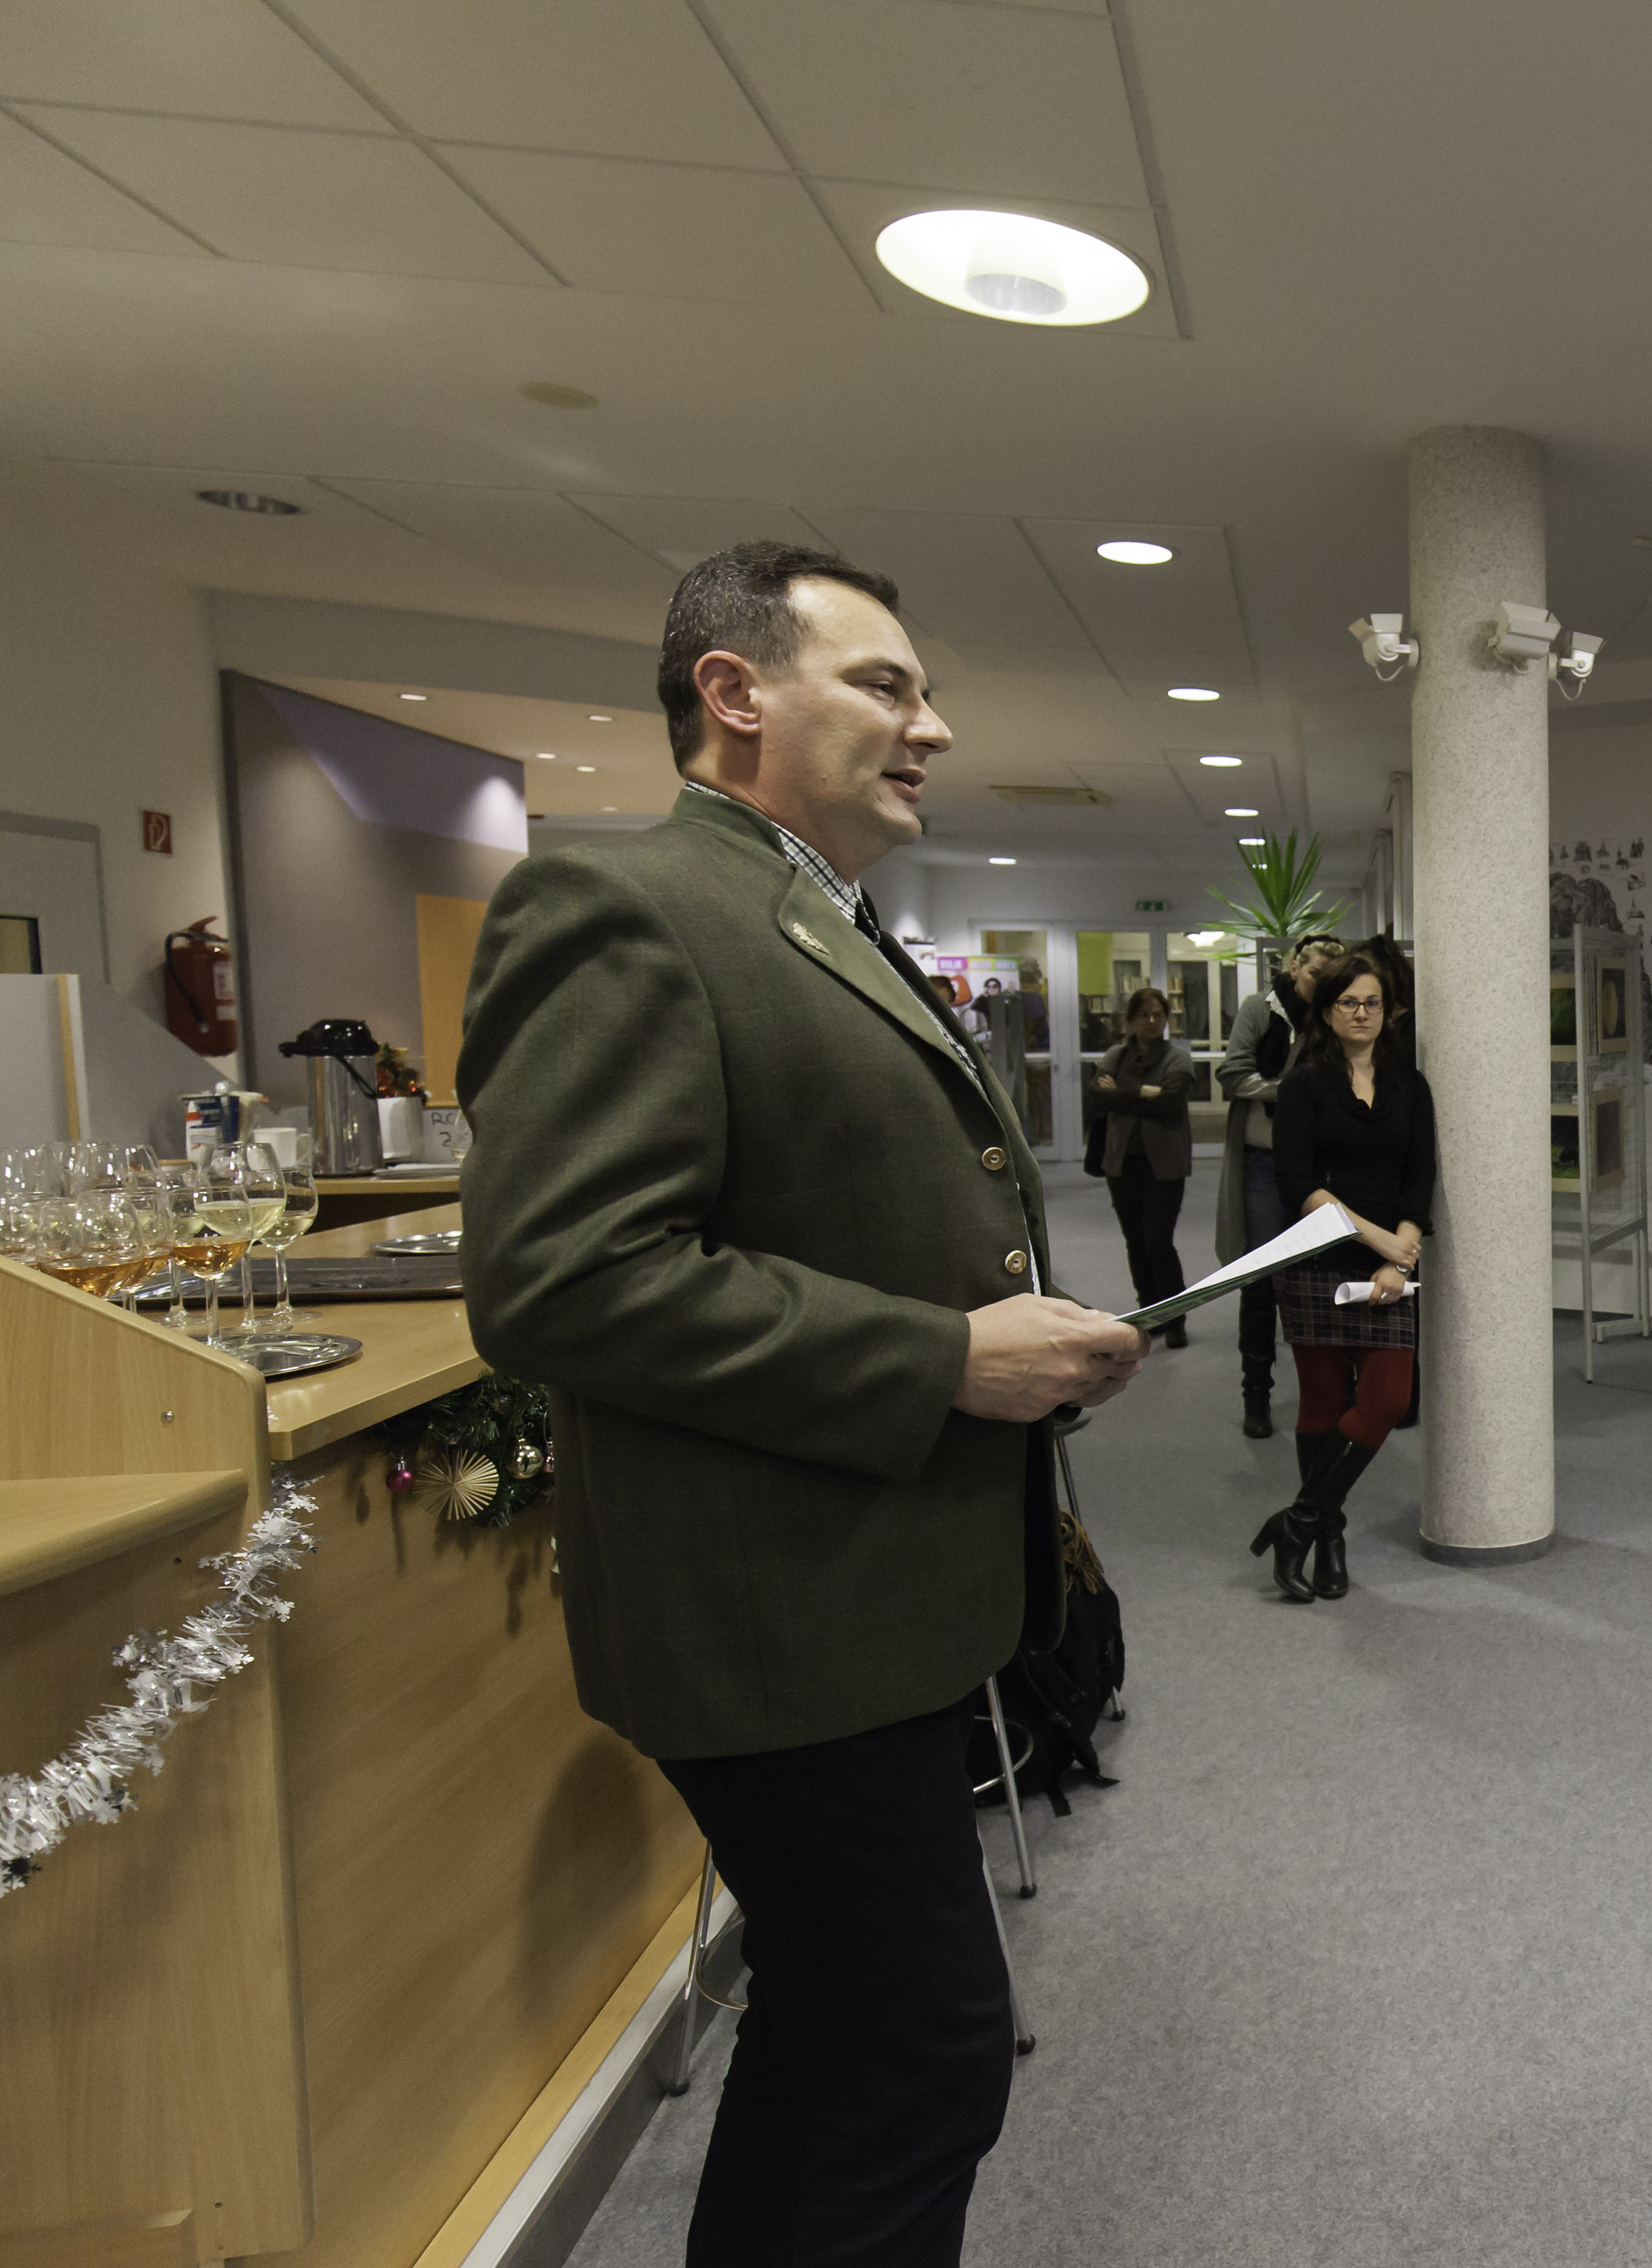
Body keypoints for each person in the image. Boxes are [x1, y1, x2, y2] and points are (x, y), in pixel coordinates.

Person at [459, 542, 1146, 2263]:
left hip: (866, 1598)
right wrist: (943, 1359)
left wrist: (1018, 1342)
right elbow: (564, 1277)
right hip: (773, 1622)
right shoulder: (623, 905)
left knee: (852, 2043)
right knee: (918, 2056)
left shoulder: (817, 917)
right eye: (886, 685)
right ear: (735, 692)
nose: (934, 726)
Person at [1260, 951, 1434, 1603]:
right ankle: (1329, 1539)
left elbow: (1420, 1179)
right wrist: (1380, 1240)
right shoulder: (1304, 1084)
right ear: (1328, 1011)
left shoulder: (1410, 1085)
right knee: (1322, 1404)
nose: (1362, 1013)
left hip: (1390, 1269)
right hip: (1317, 1264)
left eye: (1373, 1002)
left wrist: (1399, 1256)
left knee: (1388, 1400)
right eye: (1349, 1002)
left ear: (1388, 1011)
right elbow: (1298, 1184)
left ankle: (1300, 1521)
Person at [1218, 934, 1343, 1438]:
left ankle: (1331, 1392)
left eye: (1330, 979)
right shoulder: (1261, 1010)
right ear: (1294, 968)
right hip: (1264, 1164)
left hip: (1319, 1167)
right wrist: (1293, 1092)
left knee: (1322, 1277)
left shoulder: (1336, 1017)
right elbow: (1233, 1075)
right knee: (1261, 1279)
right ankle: (1257, 1393)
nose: (1322, 985)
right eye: (1315, 975)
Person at [1090, 985, 1193, 1343]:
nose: (1151, 1021)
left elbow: (1170, 1102)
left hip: (1165, 1164)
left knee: (1158, 1241)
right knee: (1135, 1241)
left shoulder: (1177, 1058)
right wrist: (1140, 1092)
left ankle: (1175, 1318)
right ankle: (1149, 1312)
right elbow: (1097, 1098)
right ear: (1130, 1020)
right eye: (1144, 1015)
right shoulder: (1116, 1055)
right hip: (1122, 1163)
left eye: (1158, 1015)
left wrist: (1119, 1095)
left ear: (1166, 1020)